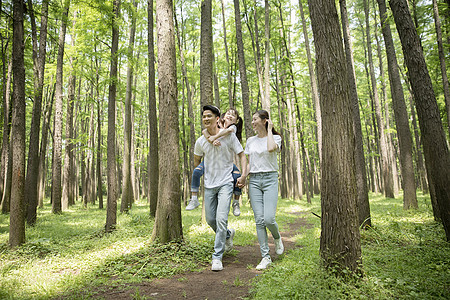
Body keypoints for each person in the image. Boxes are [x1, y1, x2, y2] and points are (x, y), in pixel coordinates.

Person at [194, 105, 247, 272]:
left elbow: (242, 154)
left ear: (218, 119)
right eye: (204, 117)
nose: (206, 119)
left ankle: (217, 256)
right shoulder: (201, 141)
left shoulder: (229, 136)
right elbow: (196, 161)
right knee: (210, 219)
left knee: (221, 219)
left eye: (209, 116)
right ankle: (227, 234)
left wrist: (243, 174)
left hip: (225, 183)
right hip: (209, 185)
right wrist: (202, 170)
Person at [237, 110, 284, 270]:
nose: (252, 122)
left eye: (255, 119)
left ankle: (277, 238)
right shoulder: (250, 141)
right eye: (252, 119)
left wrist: (270, 130)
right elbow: (250, 162)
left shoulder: (276, 138)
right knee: (259, 220)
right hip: (255, 180)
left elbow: (271, 149)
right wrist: (244, 176)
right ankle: (265, 256)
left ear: (264, 121)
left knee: (269, 219)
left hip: (270, 179)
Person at [186, 109, 243, 217]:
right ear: (222, 116)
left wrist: (214, 137)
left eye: (233, 115)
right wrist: (211, 140)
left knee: (237, 176)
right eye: (228, 114)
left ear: (236, 120)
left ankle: (236, 202)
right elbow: (204, 131)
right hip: (211, 160)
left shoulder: (232, 128)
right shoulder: (217, 124)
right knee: (197, 171)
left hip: (225, 162)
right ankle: (194, 198)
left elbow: (225, 133)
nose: (230, 116)